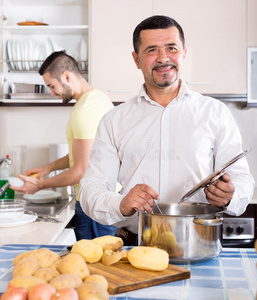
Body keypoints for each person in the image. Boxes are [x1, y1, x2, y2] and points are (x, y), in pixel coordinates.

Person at [79, 15, 255, 245]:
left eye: (171, 48)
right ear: (136, 59)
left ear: (183, 53)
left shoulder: (215, 113)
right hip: (136, 244)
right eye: (152, 50)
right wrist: (120, 203)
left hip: (200, 242)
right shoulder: (114, 120)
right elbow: (91, 187)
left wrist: (230, 195)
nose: (163, 58)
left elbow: (242, 180)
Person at [10, 50, 116, 240]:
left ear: (66, 76)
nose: (51, 92)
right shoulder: (98, 99)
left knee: (94, 267)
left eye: (52, 85)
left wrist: (39, 186)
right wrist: (47, 167)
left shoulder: (85, 110)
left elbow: (81, 171)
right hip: (102, 202)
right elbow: (83, 155)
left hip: (93, 206)